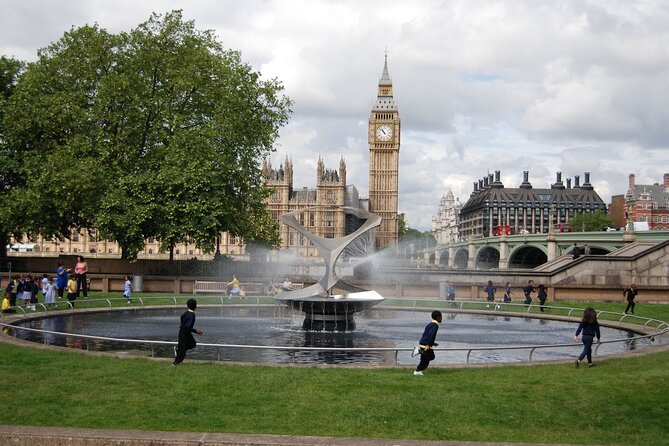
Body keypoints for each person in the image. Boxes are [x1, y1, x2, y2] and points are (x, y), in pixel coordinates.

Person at [173, 298, 204, 365]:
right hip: (184, 333)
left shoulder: (186, 313)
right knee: (182, 351)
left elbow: (182, 318)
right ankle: (175, 364)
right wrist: (197, 331)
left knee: (192, 344)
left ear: (187, 306)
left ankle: (179, 349)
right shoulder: (191, 315)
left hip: (185, 332)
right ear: (195, 306)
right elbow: (187, 327)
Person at [414, 310, 442, 376]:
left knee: (428, 357)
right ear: (437, 317)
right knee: (428, 357)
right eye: (441, 317)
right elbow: (430, 335)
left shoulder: (430, 324)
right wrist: (428, 345)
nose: (441, 318)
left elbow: (426, 335)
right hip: (426, 345)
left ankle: (418, 370)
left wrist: (433, 343)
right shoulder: (435, 325)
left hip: (423, 343)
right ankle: (418, 370)